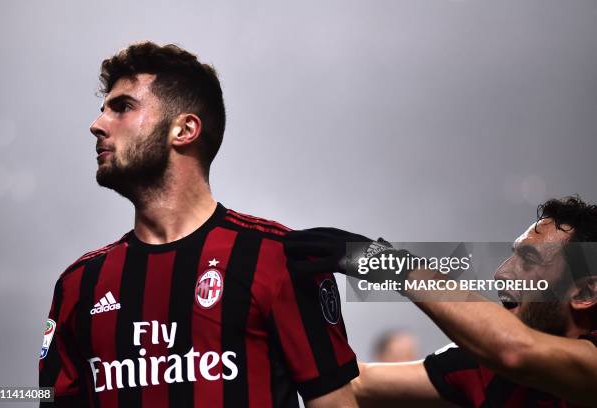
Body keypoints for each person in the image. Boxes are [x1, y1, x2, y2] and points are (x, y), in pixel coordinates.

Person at [38, 42, 359, 408]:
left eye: (122, 107)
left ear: (185, 129)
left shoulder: (277, 260)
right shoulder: (78, 285)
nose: (97, 125)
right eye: (103, 110)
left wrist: (394, 264)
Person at [287, 196, 597, 407]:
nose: (502, 273)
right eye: (513, 255)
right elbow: (351, 383)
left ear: (584, 294)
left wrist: (391, 265)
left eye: (529, 260)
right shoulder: (483, 367)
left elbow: (514, 350)